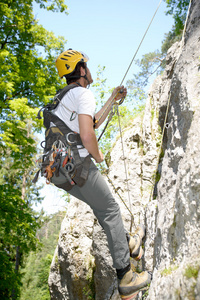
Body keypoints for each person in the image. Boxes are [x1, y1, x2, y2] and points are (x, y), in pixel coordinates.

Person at [52, 49, 151, 299]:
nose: (89, 69)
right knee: (110, 210)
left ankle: (129, 243)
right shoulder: (83, 94)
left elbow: (91, 122)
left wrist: (111, 99)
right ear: (82, 69)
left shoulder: (64, 98)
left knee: (102, 209)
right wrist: (99, 157)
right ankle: (126, 278)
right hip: (78, 166)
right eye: (86, 65)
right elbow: (87, 135)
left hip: (59, 171)